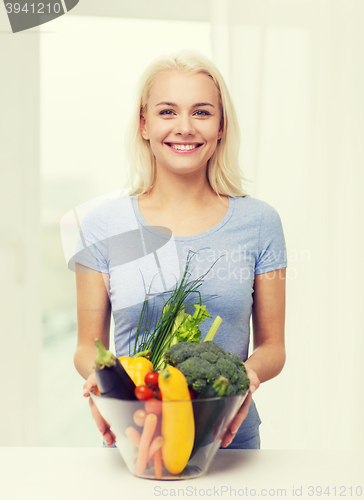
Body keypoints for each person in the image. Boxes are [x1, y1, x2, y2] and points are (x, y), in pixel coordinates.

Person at [74, 51, 286, 450]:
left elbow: (273, 347)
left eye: (202, 112)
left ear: (221, 126)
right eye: (167, 112)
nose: (184, 128)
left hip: (229, 439)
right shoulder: (102, 225)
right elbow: (87, 345)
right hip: (137, 435)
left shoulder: (259, 222)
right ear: (144, 124)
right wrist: (100, 377)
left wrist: (244, 377)